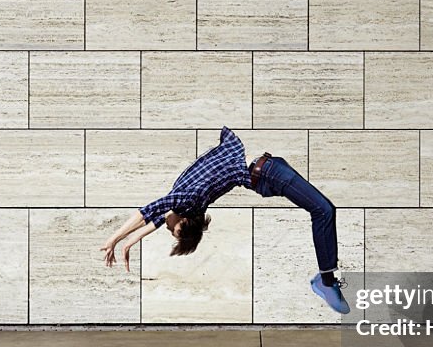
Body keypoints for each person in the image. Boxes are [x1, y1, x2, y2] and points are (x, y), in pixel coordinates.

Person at [99, 126, 350, 314]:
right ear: (185, 221)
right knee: (324, 210)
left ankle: (325, 281)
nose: (167, 228)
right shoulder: (185, 201)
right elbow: (153, 216)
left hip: (269, 171)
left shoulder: (182, 200)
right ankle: (326, 281)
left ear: (184, 221)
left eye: (172, 231)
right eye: (173, 231)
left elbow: (149, 214)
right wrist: (125, 241)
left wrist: (119, 241)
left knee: (324, 211)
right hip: (269, 174)